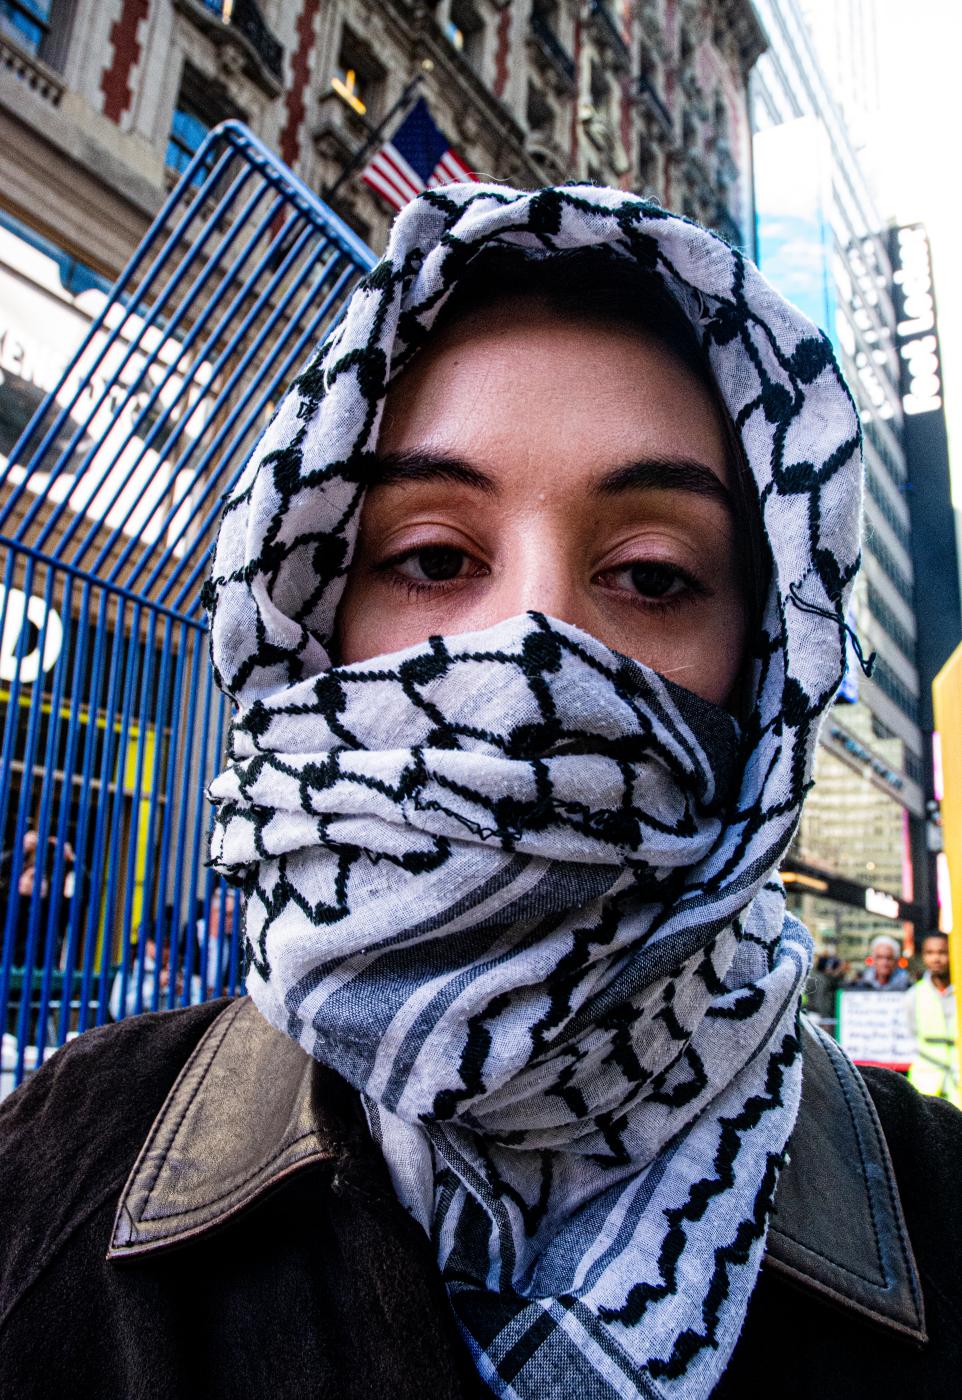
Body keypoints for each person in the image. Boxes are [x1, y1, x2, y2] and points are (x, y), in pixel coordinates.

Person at [2, 184, 960, 1399]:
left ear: (766, 669)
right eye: (434, 558)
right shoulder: (54, 1174)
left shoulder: (935, 1216)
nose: (535, 651)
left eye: (654, 576)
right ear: (311, 628)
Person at [906, 931, 959, 1108]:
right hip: (926, 1087)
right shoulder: (914, 995)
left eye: (942, 952)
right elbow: (911, 1033)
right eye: (930, 953)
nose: (936, 958)